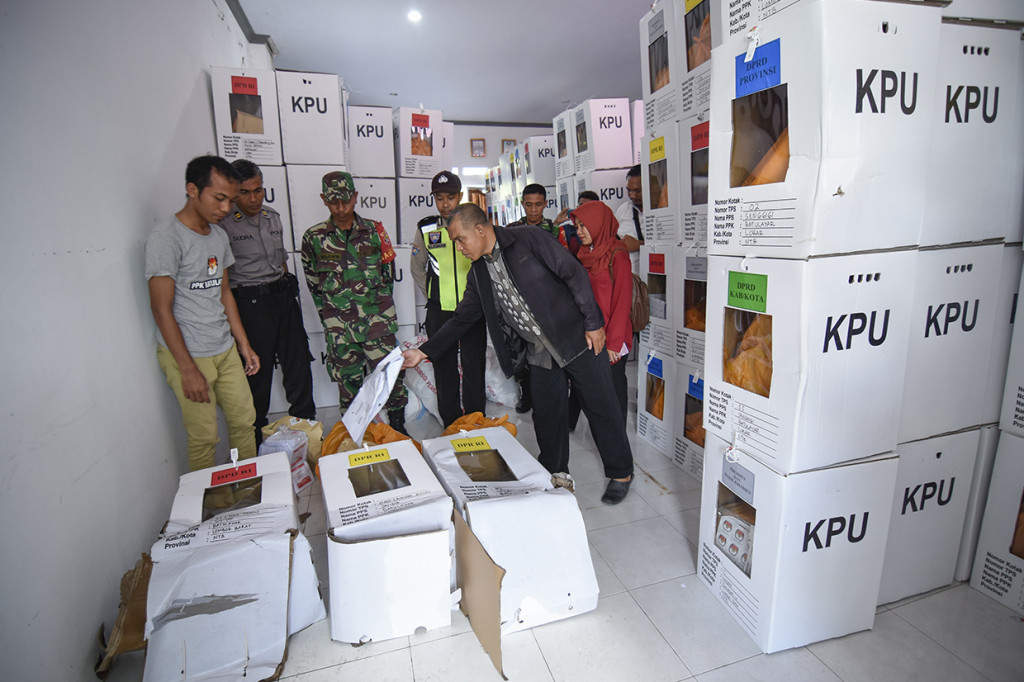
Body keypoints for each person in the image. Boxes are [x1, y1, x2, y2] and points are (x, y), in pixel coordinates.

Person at [402, 203, 634, 504]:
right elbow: (462, 318)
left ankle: (621, 472)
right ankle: (555, 470)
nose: (458, 247)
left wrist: (593, 323)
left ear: (481, 229)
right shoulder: (479, 273)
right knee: (547, 415)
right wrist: (424, 352)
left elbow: (573, 273)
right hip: (539, 352)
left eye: (460, 239)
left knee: (601, 406)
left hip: (576, 339)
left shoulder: (528, 238)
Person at [145, 155, 260, 471]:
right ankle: (210, 505)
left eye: (230, 200)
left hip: (223, 349)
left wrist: (243, 344)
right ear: (192, 190)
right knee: (204, 436)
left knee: (244, 420)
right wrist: (187, 369)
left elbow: (224, 293)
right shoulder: (167, 238)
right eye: (219, 198)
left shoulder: (219, 235)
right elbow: (160, 307)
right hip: (189, 354)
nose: (226, 209)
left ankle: (248, 491)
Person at [300, 171, 408, 434]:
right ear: (324, 200)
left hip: (377, 325)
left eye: (346, 200)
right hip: (341, 331)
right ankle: (355, 433)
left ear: (355, 197)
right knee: (348, 386)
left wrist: (379, 312)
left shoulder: (374, 231)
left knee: (391, 379)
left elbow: (387, 277)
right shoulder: (313, 238)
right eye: (334, 202)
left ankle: (398, 427)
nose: (340, 208)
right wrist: (331, 321)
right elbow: (314, 286)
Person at [219, 160, 315, 444]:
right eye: (246, 192)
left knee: (298, 367)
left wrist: (287, 288)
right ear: (234, 193)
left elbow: (282, 262)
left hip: (282, 299)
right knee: (256, 377)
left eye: (259, 190)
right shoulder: (223, 225)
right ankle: (256, 439)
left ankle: (307, 430)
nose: (254, 198)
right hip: (250, 306)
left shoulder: (273, 216)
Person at [410, 171, 486, 427]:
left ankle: (476, 420)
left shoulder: (473, 226)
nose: (445, 204)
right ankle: (452, 422)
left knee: (474, 367)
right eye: (439, 198)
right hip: (440, 312)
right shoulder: (426, 228)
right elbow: (417, 268)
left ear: (460, 196)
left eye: (450, 197)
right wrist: (433, 296)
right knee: (444, 371)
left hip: (472, 312)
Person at [570, 201, 633, 424]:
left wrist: (614, 344)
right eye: (576, 227)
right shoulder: (583, 253)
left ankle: (618, 432)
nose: (579, 232)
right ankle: (573, 422)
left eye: (583, 226)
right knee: (586, 382)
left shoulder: (618, 255)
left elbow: (622, 302)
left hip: (613, 335)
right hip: (591, 331)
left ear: (598, 224)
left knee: (614, 385)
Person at [614, 165, 645, 275]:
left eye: (637, 190)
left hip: (654, 281)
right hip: (628, 282)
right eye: (629, 190)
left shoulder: (662, 210)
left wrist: (639, 245)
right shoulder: (623, 210)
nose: (632, 195)